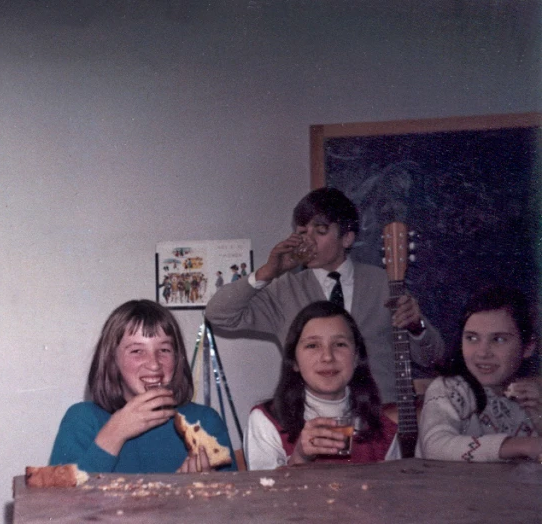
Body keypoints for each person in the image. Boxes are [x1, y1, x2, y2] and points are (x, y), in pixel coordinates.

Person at [205, 187, 446, 403]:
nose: (307, 241)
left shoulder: (383, 282)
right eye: (301, 232)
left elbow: (432, 357)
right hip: (313, 422)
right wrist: (267, 272)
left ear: (347, 237)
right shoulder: (283, 289)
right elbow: (218, 315)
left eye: (320, 231)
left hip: (381, 419)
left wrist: (417, 326)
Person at [49, 299, 236, 473]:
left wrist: (204, 491)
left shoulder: (205, 421)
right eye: (137, 351)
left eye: (164, 350)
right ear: (111, 359)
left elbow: (235, 504)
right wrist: (114, 434)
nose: (154, 364)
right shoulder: (82, 420)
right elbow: (59, 503)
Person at [245, 301, 399, 469]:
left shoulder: (385, 425)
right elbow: (266, 494)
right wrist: (299, 458)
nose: (327, 357)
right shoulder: (266, 421)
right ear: (294, 362)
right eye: (312, 345)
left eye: (339, 344)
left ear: (356, 358)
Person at [416, 285, 541, 462]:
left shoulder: (530, 395)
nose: (482, 352)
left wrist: (539, 418)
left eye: (498, 339)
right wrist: (522, 445)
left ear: (528, 347)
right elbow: (435, 446)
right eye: (472, 338)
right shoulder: (448, 390)